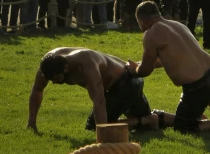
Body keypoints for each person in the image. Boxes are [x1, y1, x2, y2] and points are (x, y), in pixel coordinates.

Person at [126, 1, 210, 133]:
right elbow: (168, 59)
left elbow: (145, 70)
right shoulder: (177, 25)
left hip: (197, 87)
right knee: (205, 91)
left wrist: (133, 69)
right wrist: (139, 64)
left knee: (184, 127)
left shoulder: (151, 34)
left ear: (140, 19)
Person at [27, 48, 160, 133]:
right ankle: (155, 120)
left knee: (94, 128)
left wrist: (101, 134)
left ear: (66, 68)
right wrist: (31, 122)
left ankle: (147, 119)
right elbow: (37, 89)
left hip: (124, 85)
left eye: (56, 78)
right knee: (146, 127)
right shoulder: (47, 64)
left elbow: (99, 100)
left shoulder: (86, 65)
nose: (54, 83)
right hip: (127, 82)